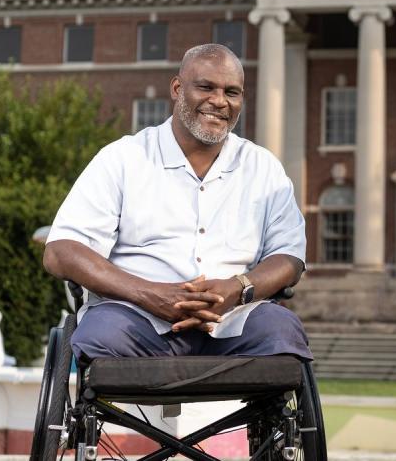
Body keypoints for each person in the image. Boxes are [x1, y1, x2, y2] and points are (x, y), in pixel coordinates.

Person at [43, 43, 310, 363]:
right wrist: (150, 294)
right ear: (177, 88)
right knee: (98, 338)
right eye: (206, 87)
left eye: (232, 92)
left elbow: (290, 256)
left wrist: (237, 288)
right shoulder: (124, 158)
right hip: (136, 319)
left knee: (283, 334)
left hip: (235, 321)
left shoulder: (262, 167)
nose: (219, 101)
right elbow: (61, 251)